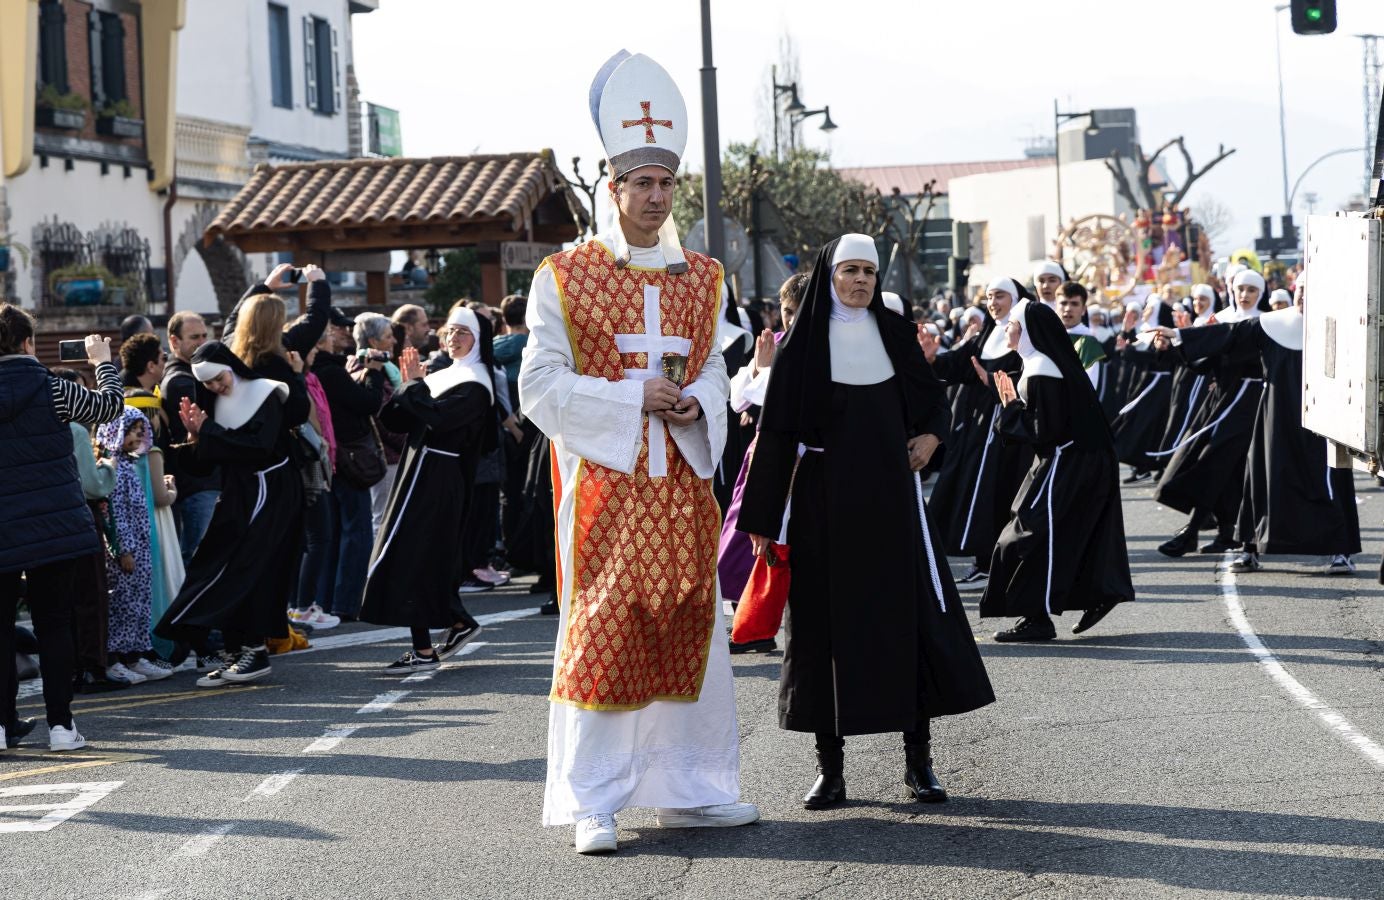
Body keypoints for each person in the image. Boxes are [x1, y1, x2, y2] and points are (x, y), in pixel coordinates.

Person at [519, 50, 757, 855]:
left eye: (666, 184)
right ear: (612, 189)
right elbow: (538, 385)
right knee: (606, 629)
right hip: (607, 489)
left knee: (691, 623)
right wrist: (629, 398)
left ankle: (692, 788)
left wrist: (697, 402)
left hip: (681, 484)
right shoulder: (565, 275)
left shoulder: (705, 277)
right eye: (640, 184)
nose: (655, 198)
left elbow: (719, 370)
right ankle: (596, 800)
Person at [738, 234, 995, 809]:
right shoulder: (803, 346)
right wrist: (761, 516)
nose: (860, 282)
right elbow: (775, 434)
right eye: (850, 270)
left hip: (890, 501)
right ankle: (831, 771)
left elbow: (932, 404)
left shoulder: (896, 335)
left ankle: (918, 763)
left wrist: (932, 436)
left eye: (869, 273)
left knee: (907, 625)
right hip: (823, 505)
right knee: (823, 633)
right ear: (830, 274)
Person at [1152, 276, 1360, 574]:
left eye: (1312, 291)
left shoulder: (1338, 326)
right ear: (1294, 291)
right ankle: (1249, 547)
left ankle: (1340, 551)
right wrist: (1178, 334)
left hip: (1323, 417)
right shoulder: (1271, 324)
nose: (1305, 297)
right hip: (1275, 414)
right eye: (1301, 290)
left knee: (1327, 478)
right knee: (1262, 475)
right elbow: (1230, 334)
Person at [0, 306, 124, 751]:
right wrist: (102, 362)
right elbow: (110, 408)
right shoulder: (54, 389)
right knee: (55, 625)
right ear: (28, 342)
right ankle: (60, 727)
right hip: (55, 526)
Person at [977, 300, 1135, 641]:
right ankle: (1100, 592)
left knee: (1027, 534)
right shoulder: (1038, 363)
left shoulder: (1042, 367)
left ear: (1027, 331)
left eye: (1012, 325)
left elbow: (1043, 429)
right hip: (1067, 459)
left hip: (1068, 459)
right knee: (1061, 532)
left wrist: (1009, 411)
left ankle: (1038, 619)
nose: (1006, 328)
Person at [154, 338, 302, 686]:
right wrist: (193, 440)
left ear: (230, 365)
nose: (216, 387)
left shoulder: (264, 392)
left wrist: (209, 432)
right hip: (240, 493)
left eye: (218, 378)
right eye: (207, 383)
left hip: (270, 490)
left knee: (246, 568)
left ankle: (254, 650)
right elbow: (210, 463)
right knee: (214, 562)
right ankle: (236, 652)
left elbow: (258, 448)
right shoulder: (214, 404)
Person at [360, 307, 491, 673]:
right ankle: (451, 626)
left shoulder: (477, 385)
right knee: (411, 554)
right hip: (417, 469)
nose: (453, 338)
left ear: (479, 338)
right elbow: (399, 419)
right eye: (450, 331)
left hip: (439, 475)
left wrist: (415, 388)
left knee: (414, 556)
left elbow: (439, 420)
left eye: (463, 332)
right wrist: (409, 387)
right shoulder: (446, 375)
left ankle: (431, 643)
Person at [918, 278, 1036, 593]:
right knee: (974, 490)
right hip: (981, 426)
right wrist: (932, 359)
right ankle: (985, 562)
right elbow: (959, 366)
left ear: (1015, 299)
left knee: (998, 492)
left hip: (1008, 427)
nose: (993, 302)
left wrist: (997, 384)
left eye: (999, 296)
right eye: (988, 297)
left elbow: (1030, 375)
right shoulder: (987, 333)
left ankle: (995, 563)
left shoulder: (1025, 333)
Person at [1153, 269, 1270, 557]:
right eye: (1240, 288)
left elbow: (1244, 354)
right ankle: (1224, 534)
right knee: (1224, 467)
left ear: (1261, 293)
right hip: (1221, 402)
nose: (1244, 295)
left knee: (1217, 462)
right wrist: (1172, 345)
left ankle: (1193, 531)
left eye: (1251, 290)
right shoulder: (1224, 320)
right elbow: (1204, 365)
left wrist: (1193, 336)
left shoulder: (1266, 323)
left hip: (1251, 401)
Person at [717, 272, 805, 654]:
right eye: (786, 310)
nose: (791, 318)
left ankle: (757, 625)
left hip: (806, 459)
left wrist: (764, 374)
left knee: (784, 546)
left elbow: (788, 396)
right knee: (745, 539)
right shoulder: (776, 344)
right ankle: (750, 623)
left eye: (799, 310)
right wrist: (757, 368)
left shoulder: (828, 347)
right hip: (766, 457)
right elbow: (738, 398)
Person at [305, 318, 385, 622]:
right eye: (330, 331)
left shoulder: (317, 371)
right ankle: (348, 602)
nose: (337, 333)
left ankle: (325, 600)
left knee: (334, 532)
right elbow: (367, 403)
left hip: (331, 458)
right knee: (358, 531)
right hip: (348, 457)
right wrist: (373, 376)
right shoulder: (330, 372)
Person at [94, 408, 172, 683]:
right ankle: (114, 658)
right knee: (122, 604)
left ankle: (135, 655)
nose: (139, 434)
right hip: (124, 552)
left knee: (139, 602)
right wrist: (123, 549)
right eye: (132, 429)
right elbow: (114, 514)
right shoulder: (111, 466)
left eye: (142, 429)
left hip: (140, 548)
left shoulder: (130, 464)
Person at [161, 312, 218, 563]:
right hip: (196, 486)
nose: (201, 341)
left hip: (207, 482)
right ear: (174, 342)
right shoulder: (180, 381)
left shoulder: (195, 375)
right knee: (196, 559)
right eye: (194, 337)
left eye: (204, 336)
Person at [349, 312, 402, 536]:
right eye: (388, 336)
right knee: (382, 521)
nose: (394, 341)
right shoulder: (366, 370)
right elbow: (384, 417)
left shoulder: (385, 368)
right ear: (373, 342)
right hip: (385, 458)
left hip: (390, 456)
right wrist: (411, 443)